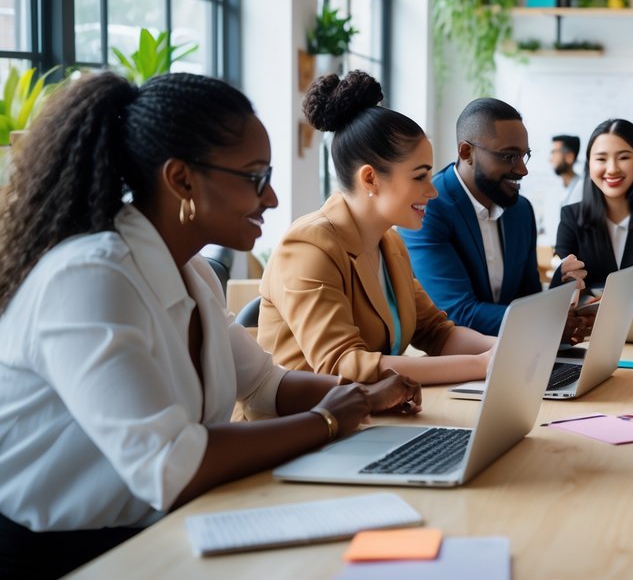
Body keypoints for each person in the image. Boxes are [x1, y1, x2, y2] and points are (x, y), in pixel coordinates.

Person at [0, 73, 419, 578]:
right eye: (255, 178)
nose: (272, 200)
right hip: (67, 556)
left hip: (171, 527)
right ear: (181, 180)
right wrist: (327, 420)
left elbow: (266, 385)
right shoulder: (91, 278)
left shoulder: (192, 271)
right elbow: (170, 465)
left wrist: (362, 394)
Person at [258, 72, 495, 385]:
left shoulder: (390, 243)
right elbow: (342, 365)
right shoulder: (308, 247)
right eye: (419, 176)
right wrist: (481, 365)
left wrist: (507, 350)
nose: (433, 190)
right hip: (302, 426)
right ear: (370, 179)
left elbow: (437, 333)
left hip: (369, 418)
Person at [401, 98, 590, 340]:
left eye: (524, 156)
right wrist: (545, 322)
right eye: (509, 157)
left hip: (516, 354)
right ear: (466, 152)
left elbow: (525, 300)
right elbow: (458, 313)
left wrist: (560, 288)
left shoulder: (521, 210)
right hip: (458, 364)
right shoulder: (429, 209)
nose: (523, 169)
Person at [551, 119, 633, 290]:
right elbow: (559, 289)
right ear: (589, 165)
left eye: (623, 157)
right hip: (587, 317)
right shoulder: (571, 217)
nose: (612, 168)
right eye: (601, 159)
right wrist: (564, 278)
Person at [543, 134, 584, 240]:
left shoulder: (583, 189)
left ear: (569, 157)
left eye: (554, 152)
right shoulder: (555, 190)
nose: (550, 159)